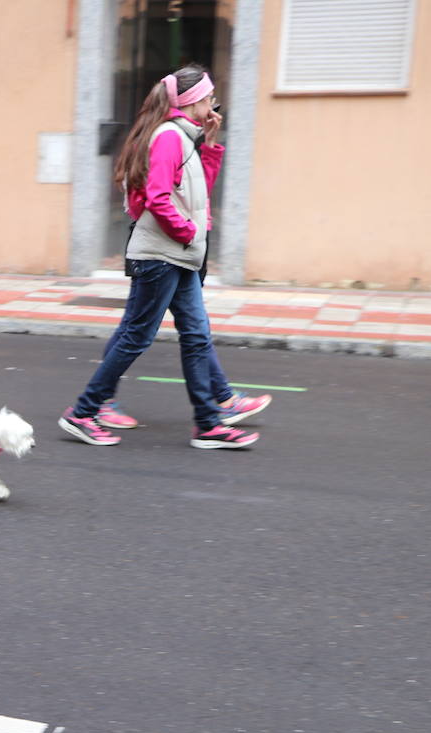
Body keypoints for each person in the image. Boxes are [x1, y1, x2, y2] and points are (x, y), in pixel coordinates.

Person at [58, 64, 260, 450]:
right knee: (137, 336)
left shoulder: (186, 137)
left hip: (178, 255)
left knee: (197, 336)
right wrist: (186, 232)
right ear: (193, 100)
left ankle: (208, 425)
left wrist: (212, 144)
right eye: (209, 96)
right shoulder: (169, 136)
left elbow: (198, 192)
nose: (213, 102)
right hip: (163, 254)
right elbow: (158, 196)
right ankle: (84, 412)